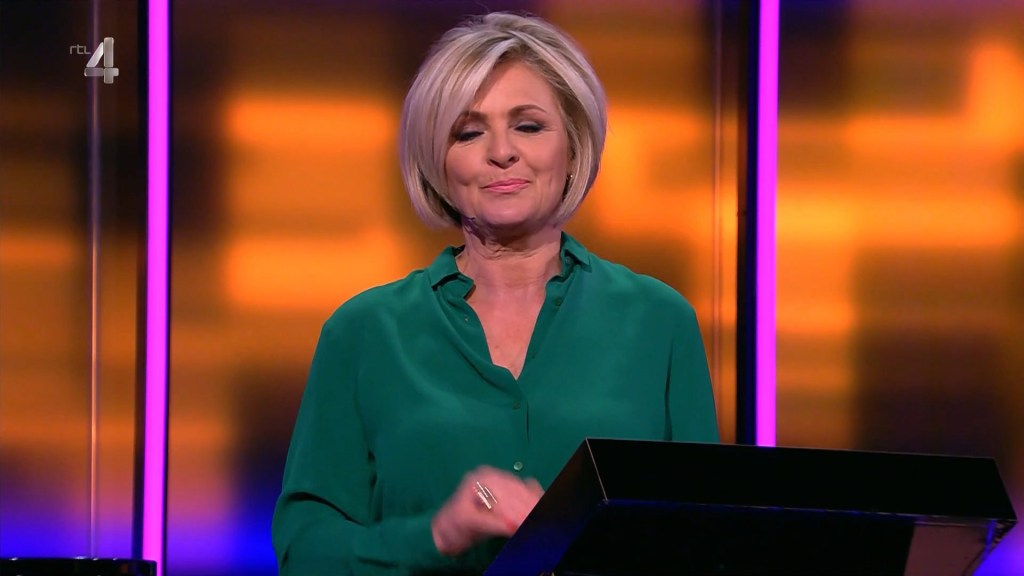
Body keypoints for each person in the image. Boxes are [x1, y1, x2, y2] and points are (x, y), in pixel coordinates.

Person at [272, 11, 719, 576]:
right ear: (437, 161)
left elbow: (707, 539)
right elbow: (306, 549)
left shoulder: (659, 322)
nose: (501, 151)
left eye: (528, 126)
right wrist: (438, 533)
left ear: (573, 145)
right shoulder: (362, 333)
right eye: (468, 132)